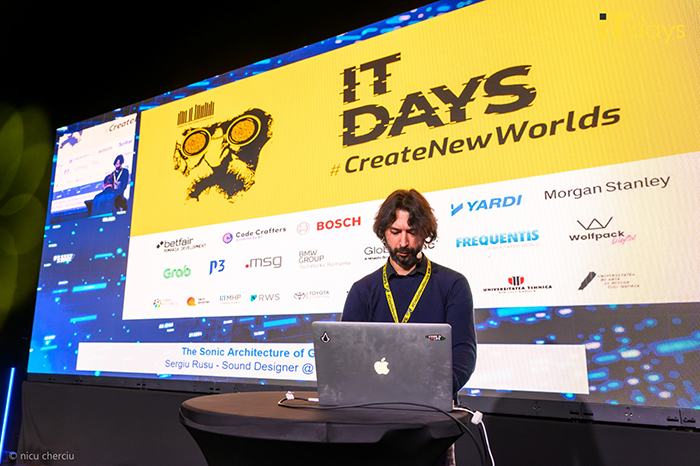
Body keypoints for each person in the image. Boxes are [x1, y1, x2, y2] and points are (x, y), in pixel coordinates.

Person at [341, 188, 476, 466]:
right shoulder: (362, 290)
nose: (403, 242)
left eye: (412, 232)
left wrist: (434, 392)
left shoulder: (452, 284)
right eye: (395, 231)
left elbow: (464, 351)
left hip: (432, 422)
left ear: (425, 233)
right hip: (373, 421)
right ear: (384, 232)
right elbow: (346, 357)